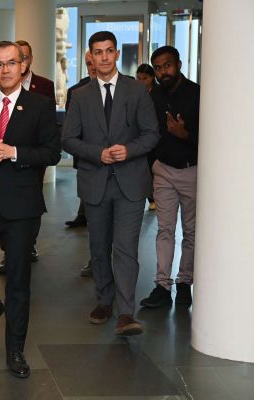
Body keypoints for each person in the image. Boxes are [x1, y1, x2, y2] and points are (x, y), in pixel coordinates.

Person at [0, 41, 61, 378]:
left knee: (18, 279)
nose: (5, 69)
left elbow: (52, 153)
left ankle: (15, 350)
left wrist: (13, 152)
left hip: (22, 205)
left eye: (11, 63)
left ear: (23, 66)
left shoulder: (40, 105)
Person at [62, 31, 159, 336]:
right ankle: (104, 300)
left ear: (117, 54)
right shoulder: (80, 95)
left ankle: (126, 313)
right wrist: (97, 153)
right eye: (98, 52)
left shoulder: (137, 91)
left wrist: (129, 150)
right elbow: (68, 139)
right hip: (95, 182)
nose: (104, 57)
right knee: (99, 246)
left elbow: (152, 134)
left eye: (109, 51)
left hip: (131, 182)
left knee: (126, 248)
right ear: (90, 57)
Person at [140, 46, 200, 309]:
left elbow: (211, 138)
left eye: (167, 65)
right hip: (163, 171)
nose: (163, 71)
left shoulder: (197, 94)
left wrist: (184, 134)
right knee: (165, 230)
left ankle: (185, 282)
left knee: (191, 231)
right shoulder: (153, 97)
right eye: (158, 68)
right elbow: (148, 134)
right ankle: (162, 286)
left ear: (179, 64)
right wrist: (153, 165)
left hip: (192, 171)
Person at [0, 39, 56, 274]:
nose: (8, 68)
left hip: (33, 159)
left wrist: (20, 153)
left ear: (27, 61)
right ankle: (9, 250)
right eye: (2, 63)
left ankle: (27, 244)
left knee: (31, 202)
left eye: (21, 58)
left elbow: (49, 135)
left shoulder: (44, 86)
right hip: (1, 163)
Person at [65, 51, 97, 278]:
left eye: (94, 60)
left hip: (120, 166)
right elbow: (70, 132)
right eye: (88, 63)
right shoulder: (76, 91)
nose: (92, 66)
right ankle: (96, 260)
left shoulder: (128, 87)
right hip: (88, 161)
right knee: (96, 221)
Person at [136, 63, 160, 211]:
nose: (141, 82)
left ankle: (154, 197)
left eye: (144, 78)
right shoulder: (135, 93)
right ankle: (150, 197)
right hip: (140, 138)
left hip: (155, 138)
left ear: (152, 78)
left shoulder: (158, 94)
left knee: (153, 169)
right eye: (138, 78)